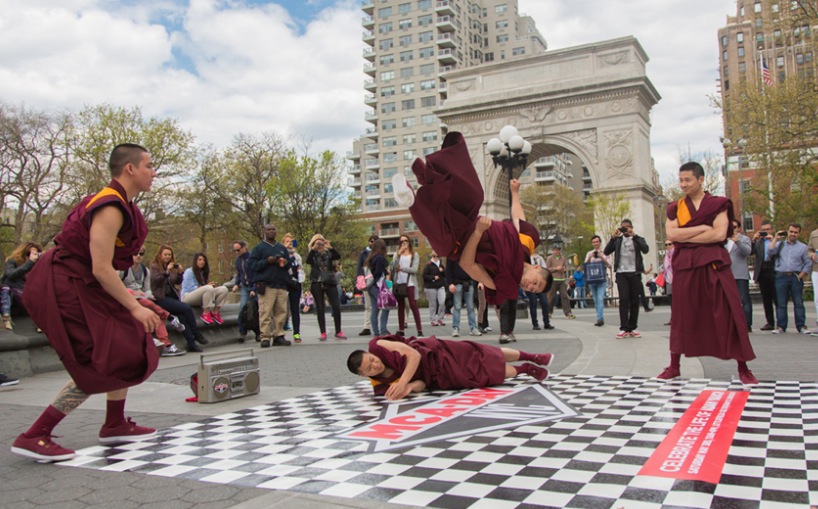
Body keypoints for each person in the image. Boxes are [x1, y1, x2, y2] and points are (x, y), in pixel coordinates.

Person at [11, 143, 163, 462]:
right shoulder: (109, 206)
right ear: (130, 169)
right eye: (149, 165)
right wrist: (135, 305)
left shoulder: (122, 204)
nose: (154, 171)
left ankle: (115, 422)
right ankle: (35, 434)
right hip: (63, 283)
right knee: (100, 358)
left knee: (127, 342)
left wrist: (135, 301)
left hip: (85, 282)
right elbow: (101, 266)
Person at [397, 132, 550, 306]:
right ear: (537, 268)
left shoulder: (503, 285)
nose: (529, 286)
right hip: (470, 221)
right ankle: (428, 174)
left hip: (460, 244)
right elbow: (519, 219)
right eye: (535, 283)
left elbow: (467, 265)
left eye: (532, 290)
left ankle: (411, 199)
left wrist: (478, 233)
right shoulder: (526, 246)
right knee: (474, 194)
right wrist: (514, 193)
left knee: (443, 245)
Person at [657, 162, 757, 385]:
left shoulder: (719, 204)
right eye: (680, 180)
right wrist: (703, 229)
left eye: (687, 180)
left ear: (701, 180)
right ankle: (674, 366)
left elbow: (719, 234)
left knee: (730, 311)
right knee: (682, 314)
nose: (683, 184)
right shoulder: (675, 207)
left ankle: (743, 367)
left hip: (713, 264)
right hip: (685, 265)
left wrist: (687, 235)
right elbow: (672, 233)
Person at [347, 335, 555, 400]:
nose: (376, 364)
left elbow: (413, 354)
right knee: (486, 373)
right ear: (363, 375)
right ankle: (526, 368)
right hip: (439, 375)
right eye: (370, 368)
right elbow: (421, 384)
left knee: (484, 352)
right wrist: (408, 388)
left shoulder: (378, 345)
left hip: (436, 352)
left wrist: (401, 382)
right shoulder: (381, 387)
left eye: (372, 359)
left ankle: (533, 356)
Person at [121, 248, 186, 357]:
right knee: (148, 303)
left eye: (141, 254)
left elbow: (147, 289)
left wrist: (147, 295)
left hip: (142, 299)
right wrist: (133, 293)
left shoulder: (145, 270)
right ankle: (169, 317)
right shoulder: (123, 269)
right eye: (135, 253)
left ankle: (166, 345)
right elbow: (117, 286)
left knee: (155, 315)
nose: (138, 256)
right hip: (128, 299)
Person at [150, 245, 208, 352]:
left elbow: (176, 281)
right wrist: (166, 272)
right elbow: (155, 281)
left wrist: (180, 273)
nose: (167, 257)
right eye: (165, 254)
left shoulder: (171, 266)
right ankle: (196, 333)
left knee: (182, 317)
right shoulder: (155, 267)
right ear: (160, 255)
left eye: (169, 255)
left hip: (172, 297)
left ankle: (191, 343)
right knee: (186, 308)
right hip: (161, 298)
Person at [604, 218, 650, 339]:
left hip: (634, 273)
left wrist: (634, 235)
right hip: (621, 273)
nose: (624, 230)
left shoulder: (637, 239)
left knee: (635, 301)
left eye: (627, 227)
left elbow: (645, 249)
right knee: (624, 300)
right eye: (622, 227)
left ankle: (632, 327)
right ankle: (624, 328)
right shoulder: (617, 240)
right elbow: (606, 251)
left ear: (631, 227)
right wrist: (613, 238)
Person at [249, 224, 291, 348]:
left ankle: (279, 335)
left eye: (273, 229)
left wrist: (284, 262)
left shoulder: (282, 248)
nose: (271, 231)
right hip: (266, 285)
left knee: (281, 312)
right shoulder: (259, 248)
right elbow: (252, 265)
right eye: (269, 230)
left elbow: (289, 265)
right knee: (265, 312)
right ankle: (265, 337)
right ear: (265, 232)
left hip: (281, 284)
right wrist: (267, 261)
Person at [767, 223, 812, 334]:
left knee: (798, 302)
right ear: (787, 231)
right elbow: (769, 252)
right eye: (791, 231)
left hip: (795, 276)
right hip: (781, 276)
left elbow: (808, 263)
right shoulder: (780, 244)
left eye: (795, 232)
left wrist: (801, 275)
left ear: (799, 234)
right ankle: (781, 326)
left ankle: (801, 326)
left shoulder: (803, 247)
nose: (793, 234)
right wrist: (776, 238)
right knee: (781, 303)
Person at [305, 234, 346, 341]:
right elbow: (308, 261)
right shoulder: (312, 253)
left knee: (336, 306)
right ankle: (323, 332)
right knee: (320, 307)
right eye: (317, 242)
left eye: (321, 241)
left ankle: (338, 331)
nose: (320, 244)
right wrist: (313, 249)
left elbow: (337, 256)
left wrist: (330, 246)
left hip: (330, 281)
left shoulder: (328, 253)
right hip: (317, 281)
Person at [0, 242, 42, 331]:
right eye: (28, 254)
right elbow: (11, 274)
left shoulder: (37, 265)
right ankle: (5, 318)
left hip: (26, 296)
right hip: (12, 294)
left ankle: (40, 322)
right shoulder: (13, 261)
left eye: (35, 253)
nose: (31, 256)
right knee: (5, 288)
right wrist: (30, 263)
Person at [180, 253, 229, 325]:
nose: (202, 262)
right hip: (187, 297)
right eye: (199, 260)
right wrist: (206, 286)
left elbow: (204, 289)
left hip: (200, 296)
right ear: (195, 261)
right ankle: (206, 313)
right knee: (208, 288)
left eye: (204, 260)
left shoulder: (202, 273)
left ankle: (215, 312)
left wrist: (208, 286)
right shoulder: (189, 272)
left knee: (223, 289)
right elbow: (190, 288)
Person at [391, 234, 423, 336]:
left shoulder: (414, 255)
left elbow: (414, 270)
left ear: (409, 242)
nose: (404, 242)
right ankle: (401, 330)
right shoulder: (397, 254)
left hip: (410, 283)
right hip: (399, 283)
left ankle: (419, 329)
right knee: (400, 306)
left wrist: (402, 269)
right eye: (401, 241)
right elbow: (393, 267)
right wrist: (399, 255)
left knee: (413, 304)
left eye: (406, 240)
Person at [751, 220, 778, 331]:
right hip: (763, 271)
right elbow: (749, 252)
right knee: (766, 299)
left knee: (778, 299)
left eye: (768, 229)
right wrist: (754, 239)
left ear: (772, 230)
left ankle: (781, 322)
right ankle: (770, 322)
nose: (765, 232)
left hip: (774, 270)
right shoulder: (758, 243)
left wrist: (773, 240)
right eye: (763, 230)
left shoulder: (777, 242)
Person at [445, 257, 480, 338]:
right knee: (457, 307)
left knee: (470, 307)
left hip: (469, 283)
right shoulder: (452, 253)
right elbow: (448, 270)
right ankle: (456, 328)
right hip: (457, 283)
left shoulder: (468, 251)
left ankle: (473, 327)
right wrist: (450, 283)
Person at [728, 219, 753, 332]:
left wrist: (737, 241)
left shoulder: (744, 239)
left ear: (738, 228)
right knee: (728, 301)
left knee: (744, 300)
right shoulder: (723, 240)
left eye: (734, 227)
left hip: (740, 275)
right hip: (726, 275)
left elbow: (747, 252)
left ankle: (747, 323)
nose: (732, 229)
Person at [365, 238, 391, 336]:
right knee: (386, 307)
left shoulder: (371, 257)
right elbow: (378, 273)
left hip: (370, 286)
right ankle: (383, 331)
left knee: (375, 310)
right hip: (377, 285)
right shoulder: (380, 258)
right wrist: (386, 271)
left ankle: (376, 333)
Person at [231, 240, 256, 342]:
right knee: (242, 308)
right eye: (235, 251)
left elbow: (256, 274)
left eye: (238, 250)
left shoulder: (251, 258)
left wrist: (254, 288)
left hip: (254, 286)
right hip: (245, 287)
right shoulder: (238, 260)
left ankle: (258, 332)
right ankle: (242, 331)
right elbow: (239, 274)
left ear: (244, 248)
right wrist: (237, 284)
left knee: (255, 310)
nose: (236, 252)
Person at [584, 235, 612, 326]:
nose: (595, 243)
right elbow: (585, 265)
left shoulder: (605, 252)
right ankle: (599, 316)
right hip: (592, 279)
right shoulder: (589, 253)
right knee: (596, 300)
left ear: (600, 242)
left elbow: (609, 265)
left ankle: (600, 319)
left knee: (600, 299)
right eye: (594, 242)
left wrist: (602, 257)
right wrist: (590, 257)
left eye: (597, 241)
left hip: (601, 279)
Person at [281, 233, 303, 343]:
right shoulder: (282, 255)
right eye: (287, 241)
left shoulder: (296, 256)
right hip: (285, 285)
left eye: (291, 241)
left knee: (295, 310)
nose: (290, 243)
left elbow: (300, 268)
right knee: (282, 310)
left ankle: (296, 333)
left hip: (296, 285)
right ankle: (280, 332)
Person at [356, 235, 378, 336]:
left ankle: (379, 326)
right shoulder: (363, 254)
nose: (373, 243)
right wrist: (360, 281)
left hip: (378, 282)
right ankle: (367, 327)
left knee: (380, 305)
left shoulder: (379, 253)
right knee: (368, 306)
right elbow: (359, 268)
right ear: (369, 242)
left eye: (375, 241)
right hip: (367, 281)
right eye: (371, 241)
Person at [526, 251, 553, 331]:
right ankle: (535, 323)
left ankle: (546, 322)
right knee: (533, 303)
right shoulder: (527, 258)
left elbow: (545, 269)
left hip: (539, 283)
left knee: (544, 303)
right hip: (530, 283)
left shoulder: (539, 258)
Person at [546, 246, 574, 319]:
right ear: (553, 251)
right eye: (556, 250)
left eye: (558, 250)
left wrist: (564, 269)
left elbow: (565, 267)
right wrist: (556, 268)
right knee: (552, 296)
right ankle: (549, 312)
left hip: (561, 279)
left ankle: (568, 313)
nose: (557, 252)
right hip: (553, 279)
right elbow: (547, 269)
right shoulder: (550, 258)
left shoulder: (563, 258)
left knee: (564, 296)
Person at [422, 252, 446, 327]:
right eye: (434, 256)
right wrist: (433, 277)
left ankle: (440, 318)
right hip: (430, 287)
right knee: (433, 304)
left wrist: (442, 271)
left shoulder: (441, 265)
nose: (435, 257)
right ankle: (433, 320)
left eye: (437, 256)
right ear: (431, 256)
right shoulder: (428, 265)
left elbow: (446, 275)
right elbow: (424, 275)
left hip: (440, 286)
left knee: (442, 302)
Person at [662, 241, 674, 326]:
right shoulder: (667, 255)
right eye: (666, 244)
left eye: (670, 244)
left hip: (677, 279)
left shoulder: (677, 253)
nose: (667, 246)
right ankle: (672, 318)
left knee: (678, 300)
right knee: (671, 299)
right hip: (669, 279)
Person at [808, 226, 818, 328]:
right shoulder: (814, 234)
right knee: (817, 298)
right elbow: (809, 249)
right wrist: (812, 255)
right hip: (816, 269)